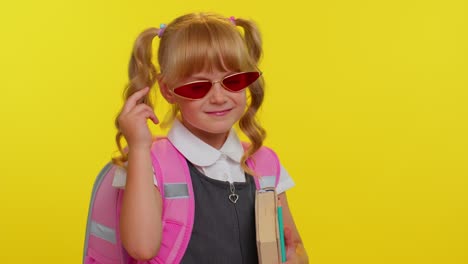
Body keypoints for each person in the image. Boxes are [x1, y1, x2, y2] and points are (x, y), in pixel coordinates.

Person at [114, 12, 308, 263]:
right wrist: (139, 148)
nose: (219, 97)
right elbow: (141, 248)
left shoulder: (264, 164)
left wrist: (295, 257)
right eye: (198, 87)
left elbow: (295, 247)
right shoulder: (149, 162)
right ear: (167, 90)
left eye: (234, 81)